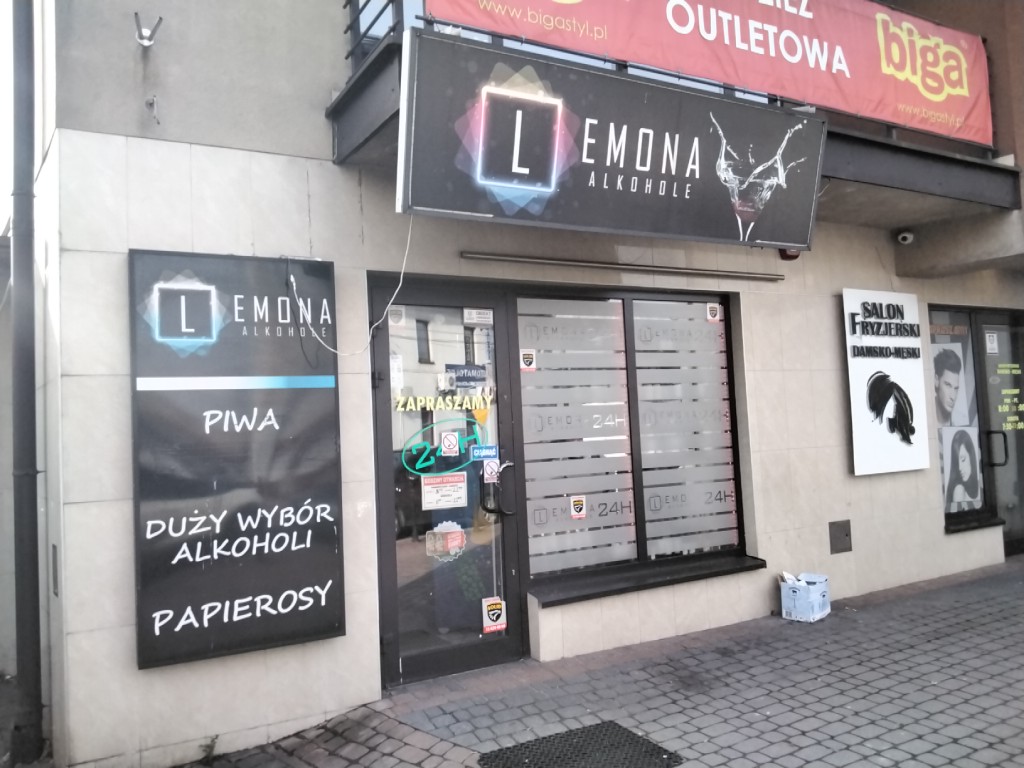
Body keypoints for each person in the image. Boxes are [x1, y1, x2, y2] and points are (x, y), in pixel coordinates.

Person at [944, 429, 981, 513]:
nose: (960, 467)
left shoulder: (978, 483)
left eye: (963, 459)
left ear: (971, 456)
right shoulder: (959, 490)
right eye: (957, 462)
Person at [933, 348, 962, 428]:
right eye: (948, 385)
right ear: (937, 380)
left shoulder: (960, 421)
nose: (953, 397)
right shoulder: (923, 417)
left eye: (956, 388)